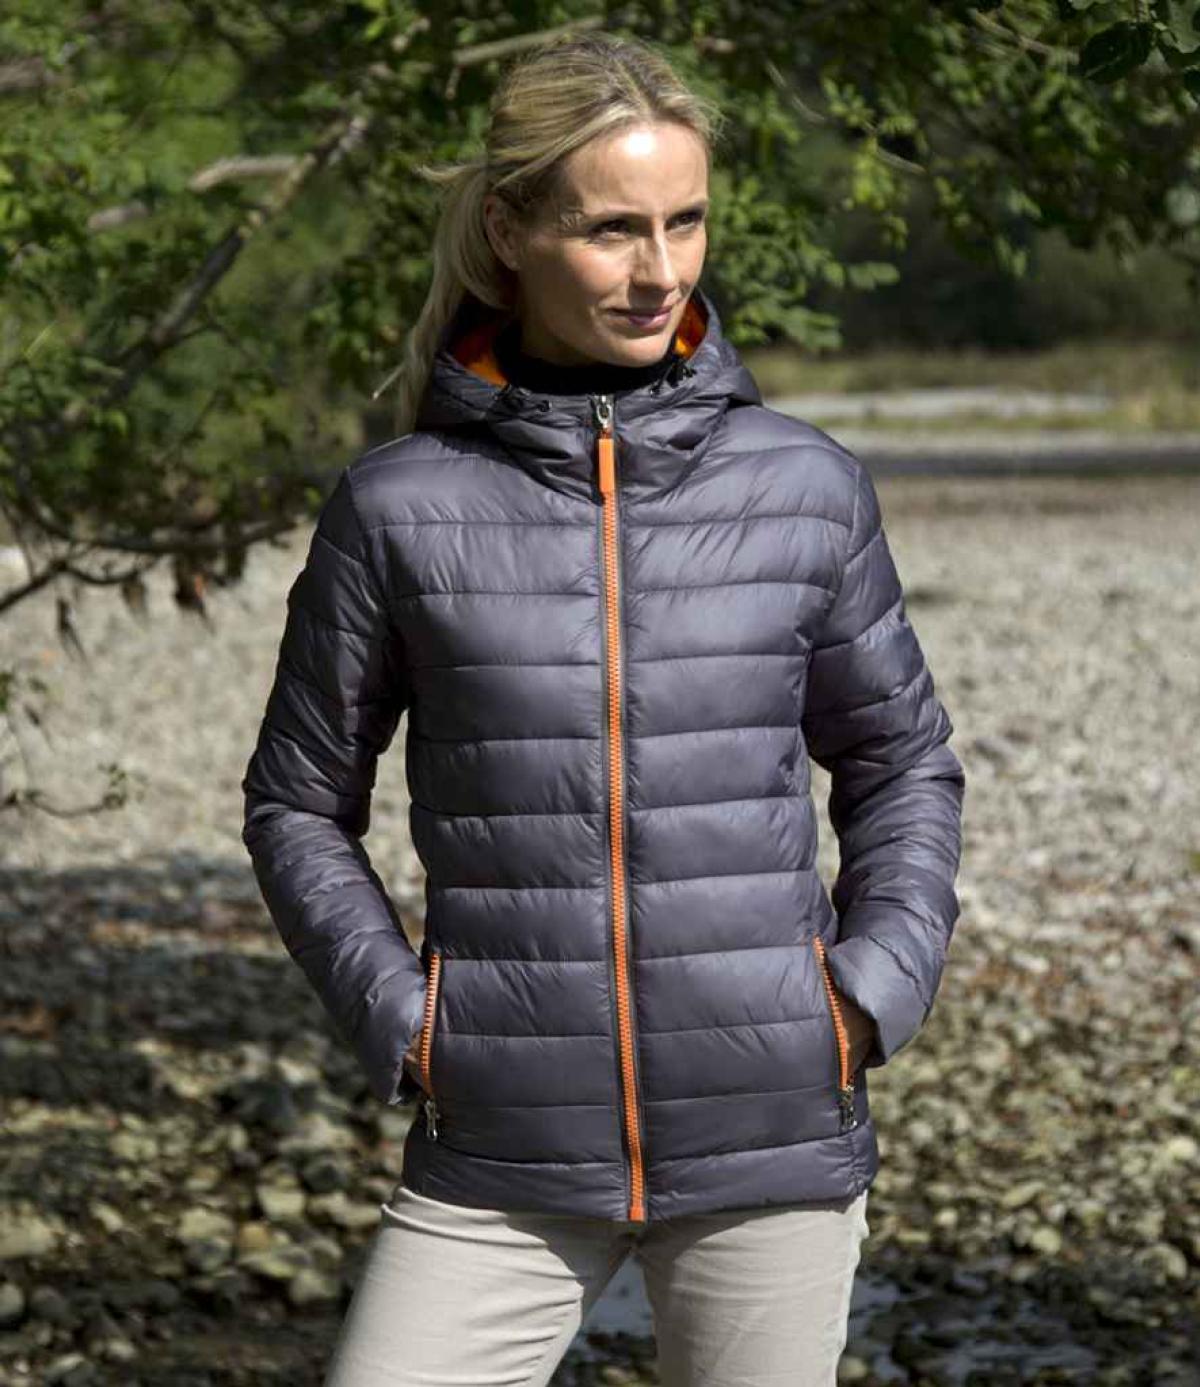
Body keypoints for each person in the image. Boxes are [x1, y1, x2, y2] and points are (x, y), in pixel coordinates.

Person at [240, 28, 966, 1387]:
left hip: (772, 1135)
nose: (660, 270)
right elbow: (296, 801)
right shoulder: (397, 508)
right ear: (510, 231)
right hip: (501, 1146)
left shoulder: (804, 488)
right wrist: (403, 1016)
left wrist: (871, 990)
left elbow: (902, 763)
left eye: (685, 222)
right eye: (613, 229)